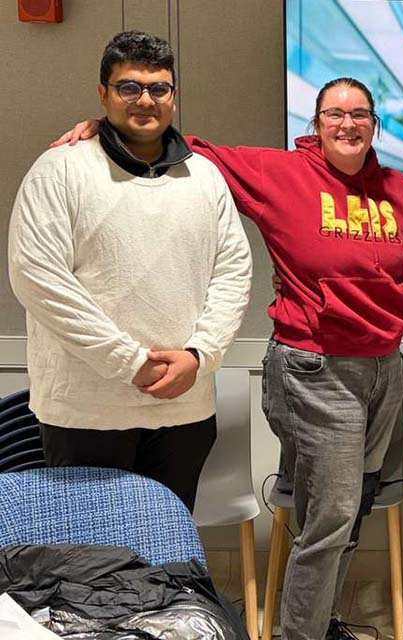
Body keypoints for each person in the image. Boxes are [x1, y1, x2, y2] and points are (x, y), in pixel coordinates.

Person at [55, 72, 403, 640]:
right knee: (332, 514)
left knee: (347, 510)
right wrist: (108, 131)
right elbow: (189, 146)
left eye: (360, 114)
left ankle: (320, 619)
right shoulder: (281, 173)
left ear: (373, 125)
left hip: (384, 370)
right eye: (335, 114)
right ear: (316, 123)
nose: (348, 124)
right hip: (314, 366)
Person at [7, 31, 252, 512]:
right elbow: (39, 278)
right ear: (103, 94)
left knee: (169, 554)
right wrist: (130, 361)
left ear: (173, 96)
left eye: (159, 88)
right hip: (86, 413)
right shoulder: (59, 170)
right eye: (129, 87)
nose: (145, 100)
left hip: (185, 407)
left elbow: (234, 272)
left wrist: (200, 355)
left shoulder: (204, 176)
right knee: (90, 565)